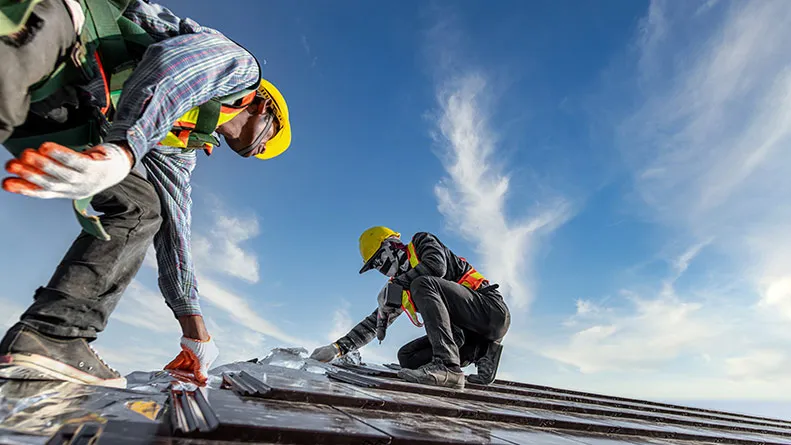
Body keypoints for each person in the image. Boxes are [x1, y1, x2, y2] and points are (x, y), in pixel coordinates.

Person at [0, 0, 292, 388]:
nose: (255, 151)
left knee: (141, 208)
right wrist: (123, 150)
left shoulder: (180, 144)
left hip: (63, 104)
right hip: (59, 32)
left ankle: (54, 335)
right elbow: (173, 67)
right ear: (264, 108)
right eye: (263, 140)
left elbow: (175, 232)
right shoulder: (240, 71)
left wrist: (195, 329)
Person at [311, 227, 511, 389]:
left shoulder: (421, 241)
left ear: (392, 246)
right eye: (375, 266)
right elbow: (375, 322)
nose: (381, 268)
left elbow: (437, 267)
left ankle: (448, 368)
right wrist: (338, 348)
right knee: (408, 358)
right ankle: (481, 351)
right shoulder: (401, 286)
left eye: (379, 260)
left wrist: (395, 284)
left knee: (423, 283)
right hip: (468, 333)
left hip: (491, 311)